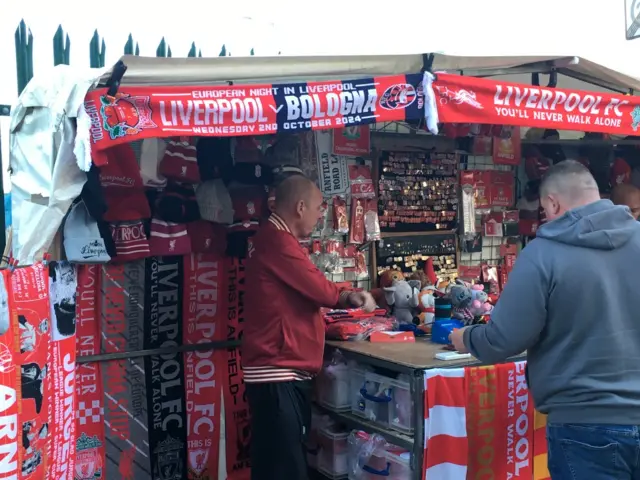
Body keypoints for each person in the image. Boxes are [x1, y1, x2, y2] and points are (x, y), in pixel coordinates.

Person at [450, 160, 640, 480]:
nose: (546, 218)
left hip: (582, 425)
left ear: (553, 202)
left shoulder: (543, 253)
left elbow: (504, 339)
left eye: (544, 210)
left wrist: (465, 337)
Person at [243, 175, 375, 480]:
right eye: (318, 209)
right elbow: (319, 288)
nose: (320, 217)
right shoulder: (277, 240)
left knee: (275, 465)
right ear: (300, 207)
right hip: (277, 371)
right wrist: (349, 296)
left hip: (276, 370)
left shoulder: (274, 237)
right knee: (286, 468)